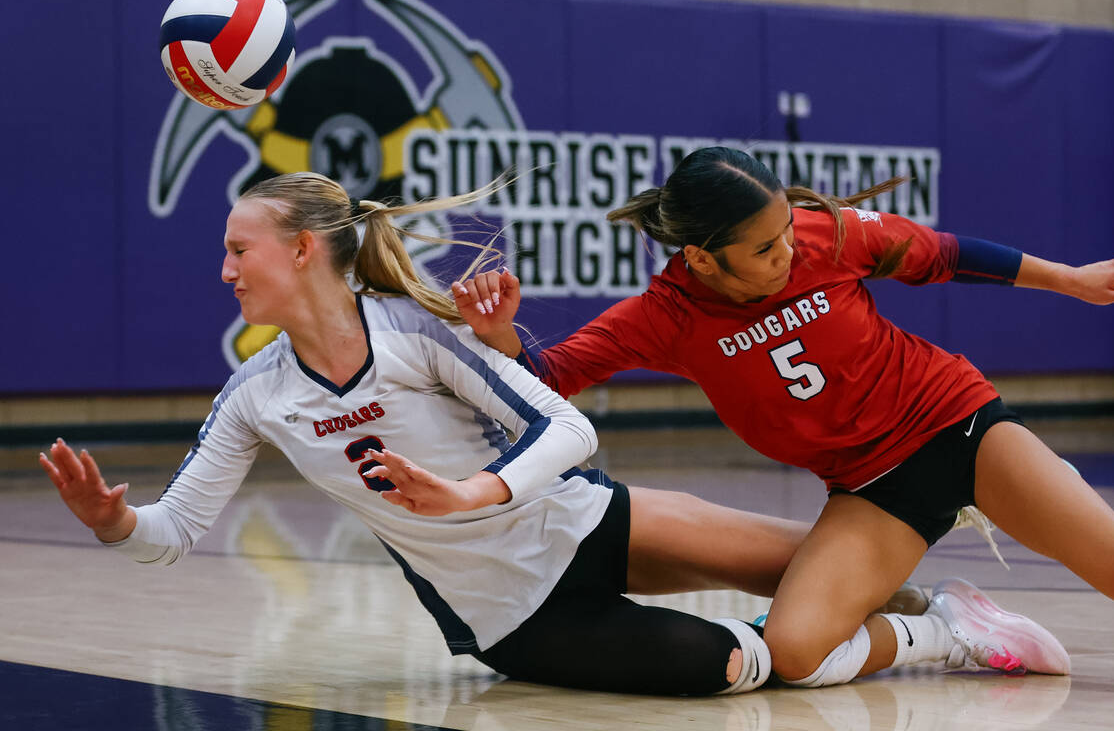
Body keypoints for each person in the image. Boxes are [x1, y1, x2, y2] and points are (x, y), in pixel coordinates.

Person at [38, 171, 942, 698]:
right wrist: (114, 522)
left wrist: (474, 491)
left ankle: (945, 618)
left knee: (853, 580)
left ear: (303, 250)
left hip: (582, 522)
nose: (224, 267)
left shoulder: (413, 331)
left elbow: (567, 427)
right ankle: (948, 644)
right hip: (514, 616)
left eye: (241, 249)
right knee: (751, 663)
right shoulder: (255, 395)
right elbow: (173, 535)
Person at [452, 145, 1114, 687]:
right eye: (763, 246)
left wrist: (1069, 279)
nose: (787, 251)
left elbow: (942, 255)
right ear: (704, 259)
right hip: (872, 489)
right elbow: (546, 381)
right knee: (798, 651)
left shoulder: (821, 234)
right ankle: (947, 631)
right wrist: (499, 339)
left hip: (957, 427)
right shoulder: (664, 316)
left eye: (785, 232)